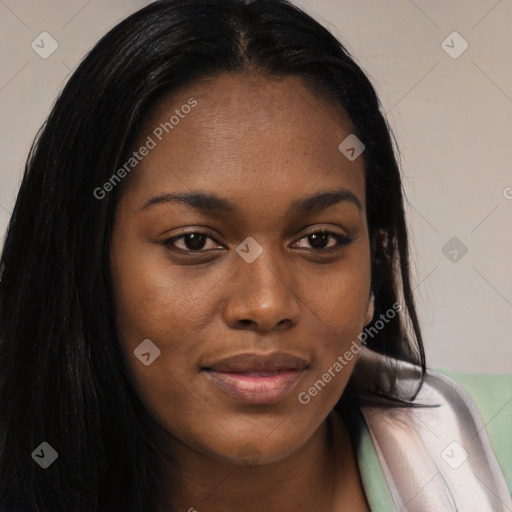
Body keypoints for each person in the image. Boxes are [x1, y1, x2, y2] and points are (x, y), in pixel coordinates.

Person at [0, 0, 510, 511]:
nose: (267, 304)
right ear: (85, 267)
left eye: (319, 240)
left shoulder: (493, 446)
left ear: (374, 265)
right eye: (194, 241)